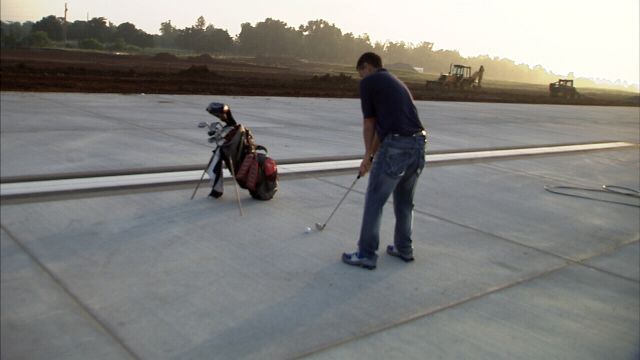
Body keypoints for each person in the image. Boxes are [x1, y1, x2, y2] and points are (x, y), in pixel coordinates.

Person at [342, 52, 426, 270]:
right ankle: (404, 248)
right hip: (418, 145)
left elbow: (369, 123)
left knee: (374, 200)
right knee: (405, 200)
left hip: (396, 146)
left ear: (367, 67)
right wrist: (370, 156)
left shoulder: (370, 82)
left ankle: (366, 254)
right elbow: (382, 126)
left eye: (361, 73)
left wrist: (366, 157)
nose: (361, 78)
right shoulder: (394, 82)